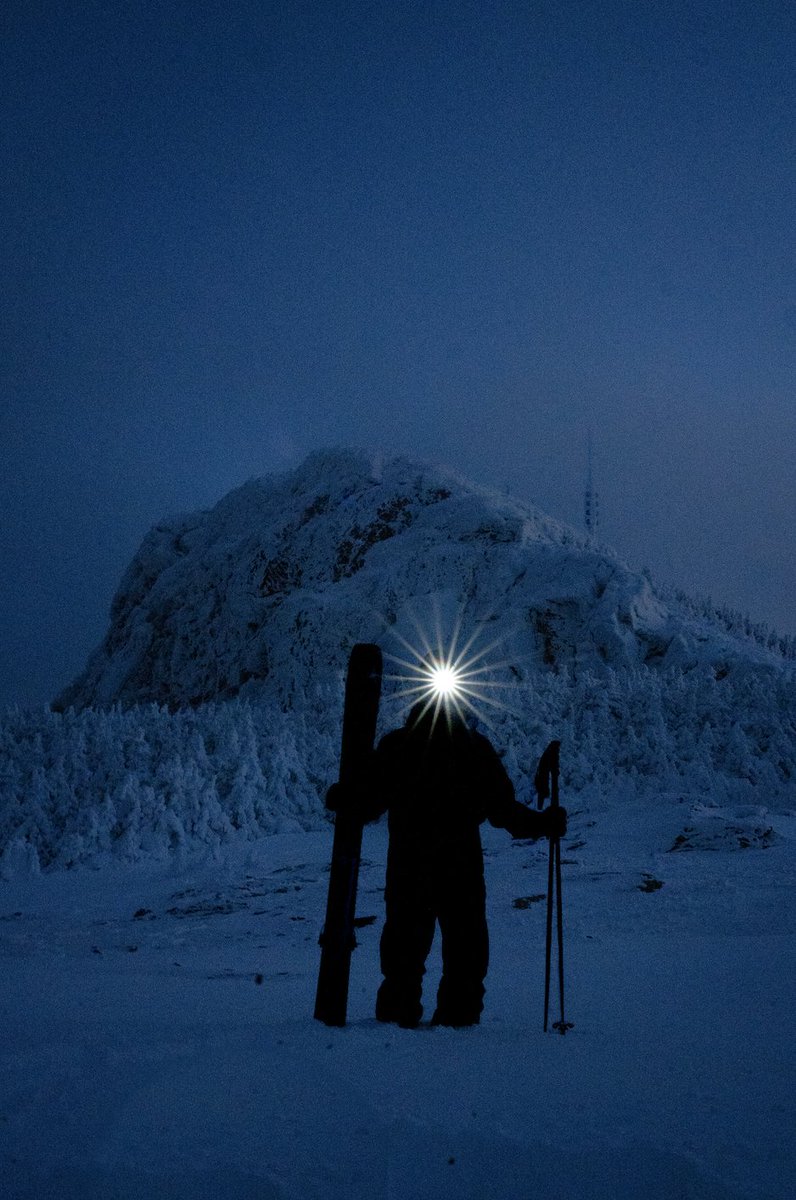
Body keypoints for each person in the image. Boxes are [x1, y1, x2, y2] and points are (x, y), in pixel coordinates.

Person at [330, 700, 566, 1028]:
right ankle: (445, 1031)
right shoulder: (460, 748)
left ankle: (412, 1033)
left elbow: (369, 800)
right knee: (435, 960)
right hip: (450, 871)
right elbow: (504, 812)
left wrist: (542, 824)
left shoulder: (406, 746)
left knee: (429, 960)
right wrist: (543, 824)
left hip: (421, 870)